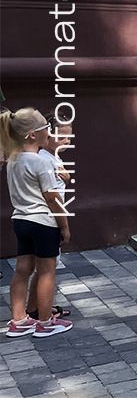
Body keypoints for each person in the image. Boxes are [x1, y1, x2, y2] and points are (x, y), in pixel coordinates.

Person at [3, 108, 72, 338]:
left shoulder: (13, 160)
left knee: (22, 270)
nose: (48, 132)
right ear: (33, 134)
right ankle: (44, 322)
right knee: (46, 272)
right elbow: (52, 199)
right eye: (45, 129)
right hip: (43, 222)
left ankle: (18, 319)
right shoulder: (41, 163)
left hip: (20, 220)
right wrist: (64, 226)